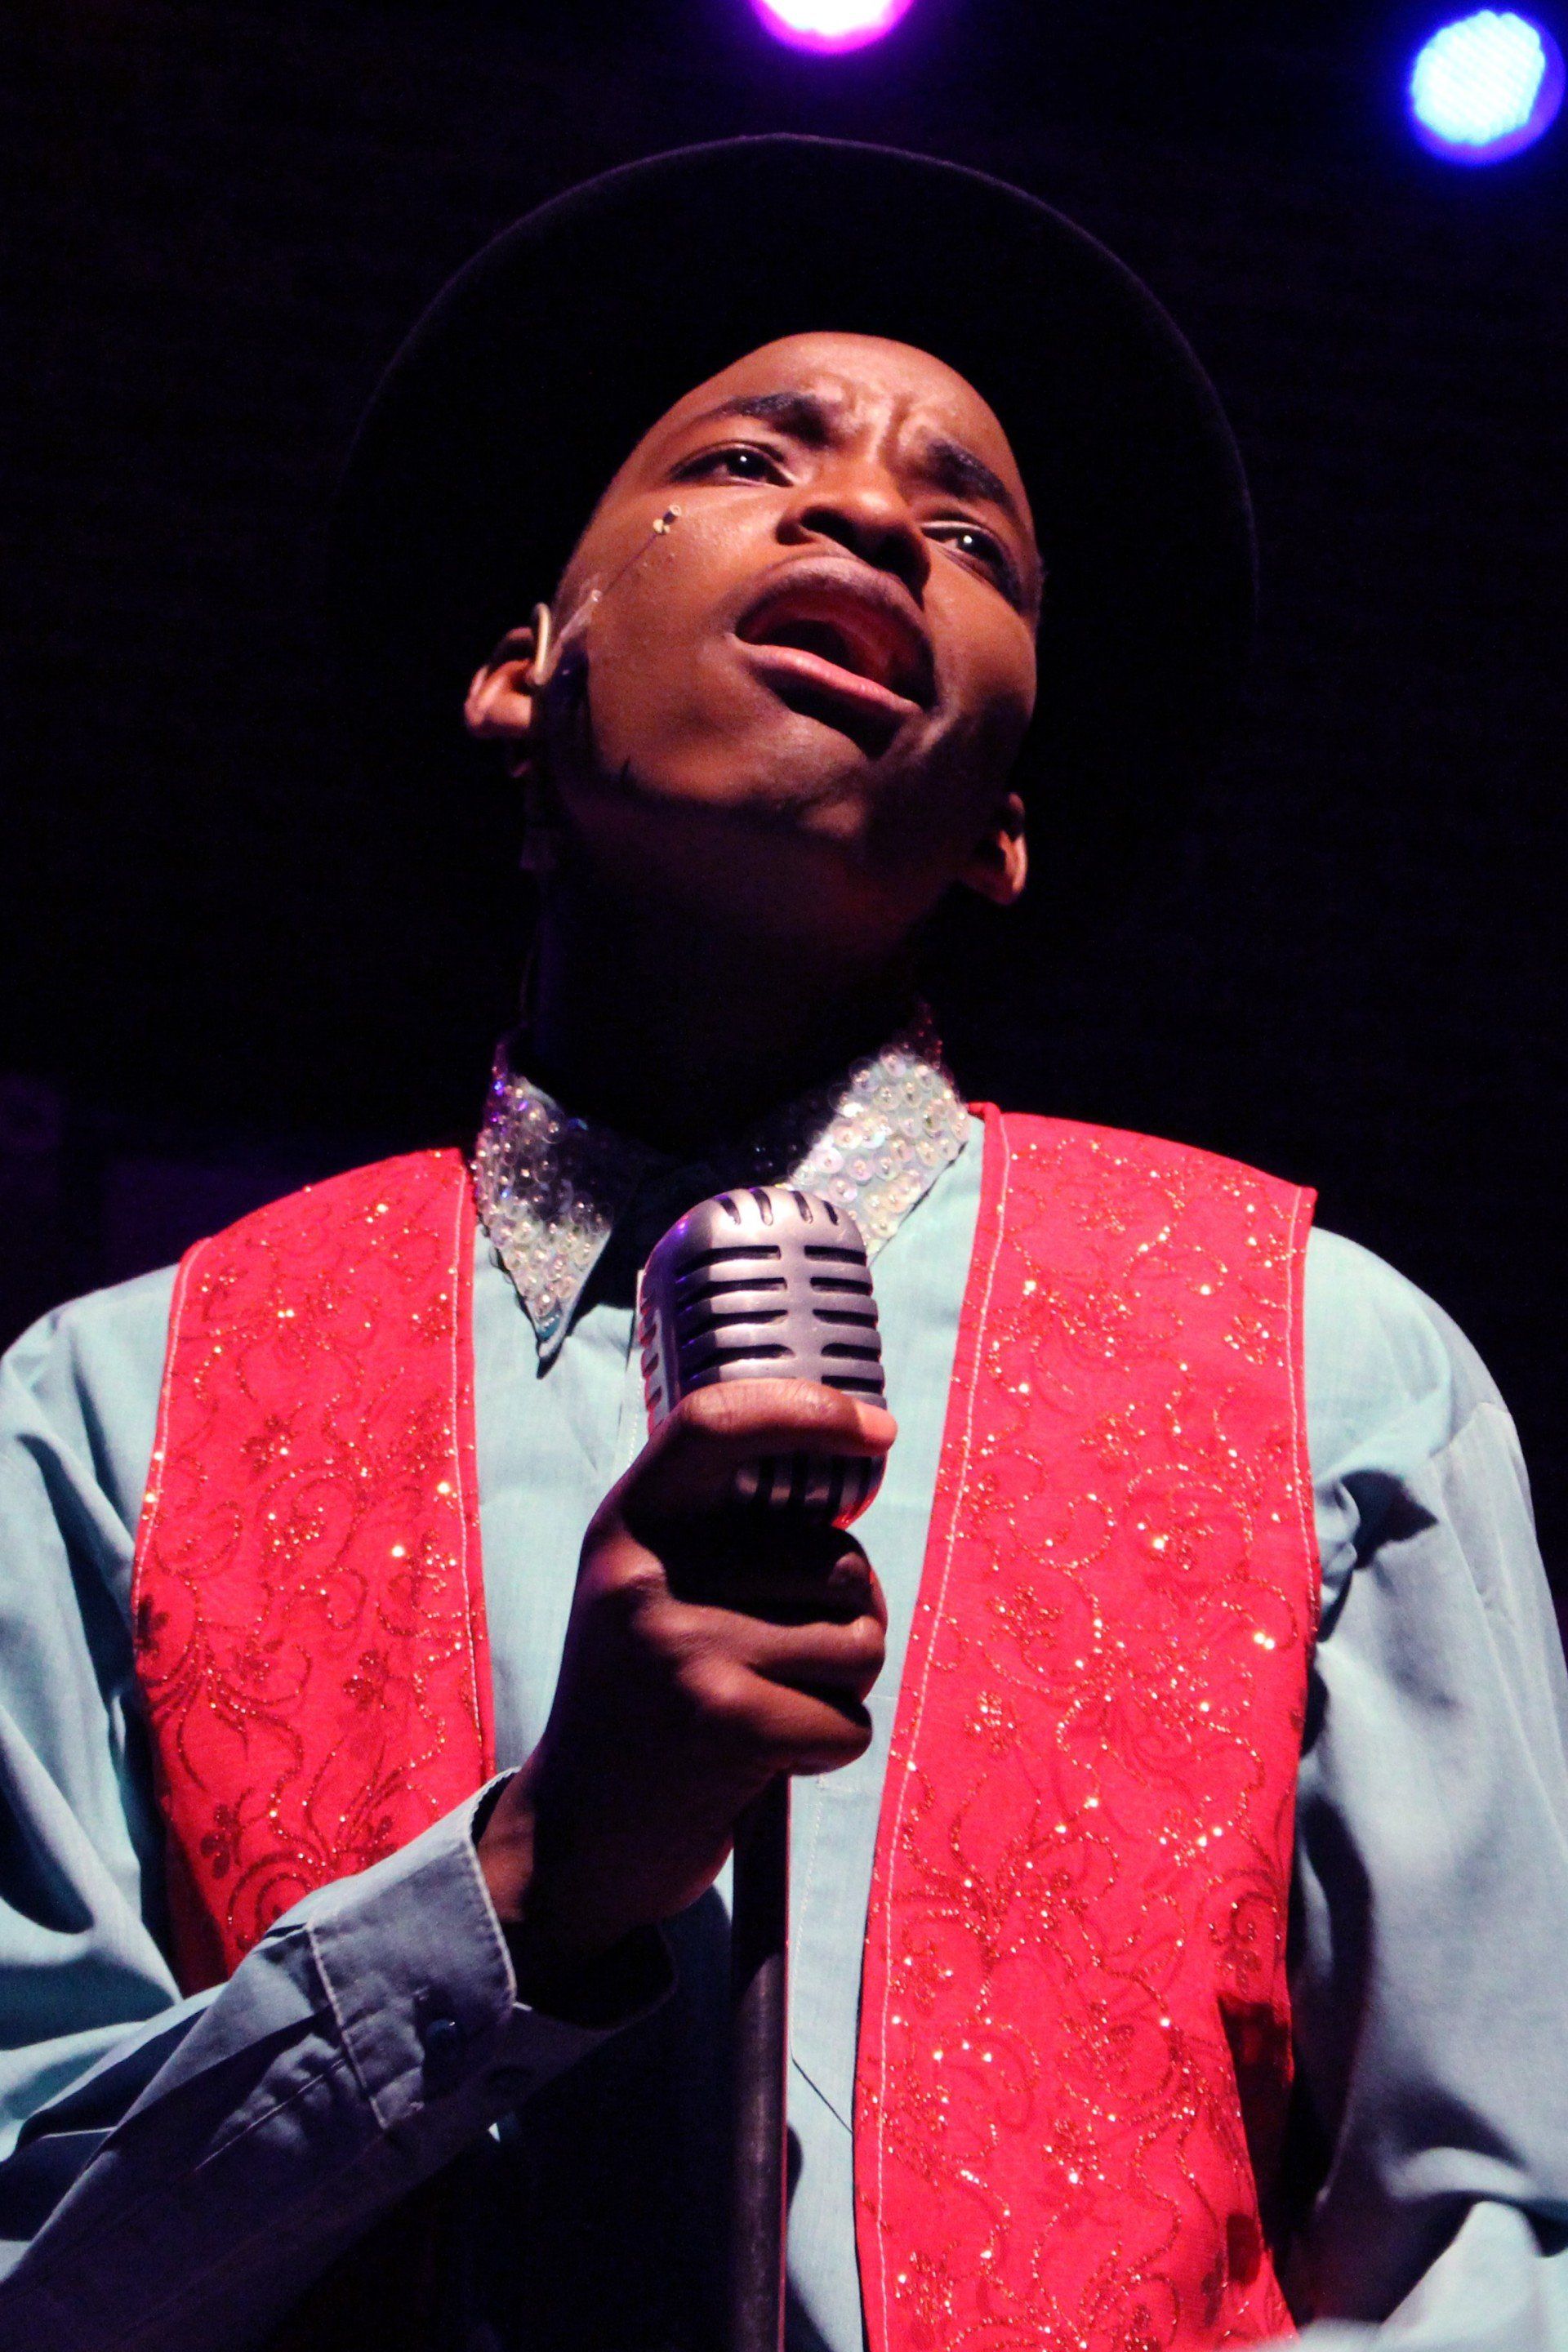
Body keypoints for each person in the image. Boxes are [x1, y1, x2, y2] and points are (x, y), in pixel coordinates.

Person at [0, 136, 1564, 2352]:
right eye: (750, 456)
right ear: (522, 672)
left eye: (966, 531)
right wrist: (536, 1889)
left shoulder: (1330, 1371)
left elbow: (1500, 2241)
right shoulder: (112, 1408)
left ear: (1006, 820)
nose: (860, 516)